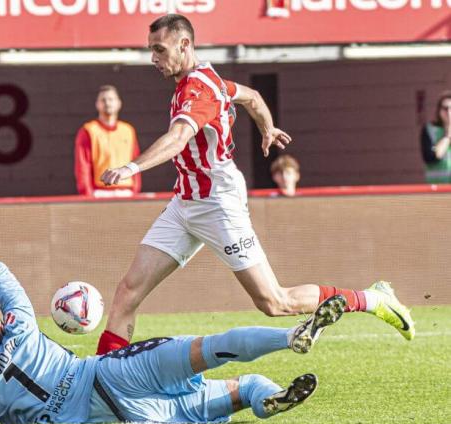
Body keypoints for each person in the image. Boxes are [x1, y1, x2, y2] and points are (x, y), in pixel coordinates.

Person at [95, 14, 414, 355]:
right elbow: (252, 97)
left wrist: (131, 166)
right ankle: (101, 381)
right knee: (128, 291)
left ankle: (372, 298)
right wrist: (267, 127)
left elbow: (177, 138)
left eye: (159, 50)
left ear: (184, 45)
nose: (154, 59)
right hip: (185, 203)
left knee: (275, 301)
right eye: (151, 50)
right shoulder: (207, 80)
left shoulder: (199, 89)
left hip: (218, 203)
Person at [0, 235, 349, 424]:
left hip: (122, 418)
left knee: (236, 396)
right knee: (209, 350)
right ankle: (290, 338)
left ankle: (271, 396)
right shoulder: (24, 333)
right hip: (113, 375)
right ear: (4, 320)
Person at [74, 85, 141, 197]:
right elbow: (82, 166)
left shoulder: (128, 130)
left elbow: (136, 161)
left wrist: (135, 191)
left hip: (127, 192)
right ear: (97, 104)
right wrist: (88, 195)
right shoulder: (88, 130)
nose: (107, 103)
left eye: (111, 99)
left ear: (119, 103)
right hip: (100, 193)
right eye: (103, 100)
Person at [420, 91, 451, 183]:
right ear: (439, 111)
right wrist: (447, 136)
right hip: (438, 189)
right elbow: (430, 158)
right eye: (445, 108)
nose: (449, 112)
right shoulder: (430, 130)